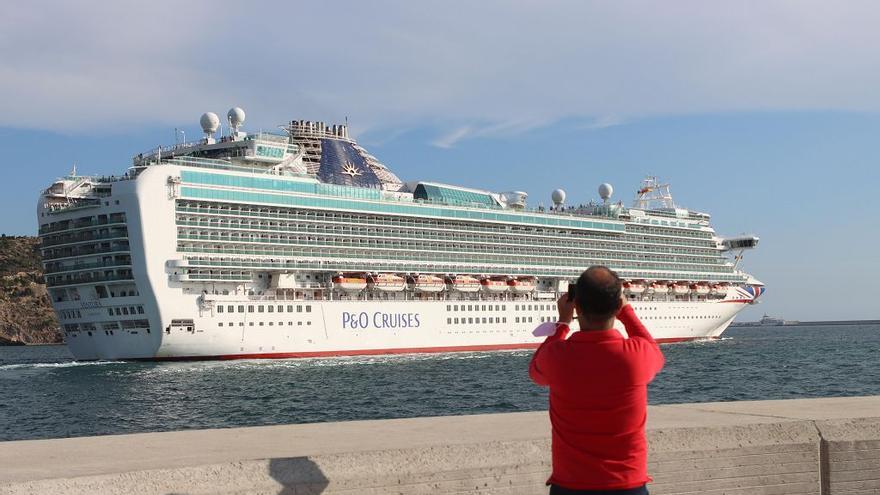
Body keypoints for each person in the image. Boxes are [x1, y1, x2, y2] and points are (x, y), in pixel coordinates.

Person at [529, 266, 665, 495]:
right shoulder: (637, 355)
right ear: (617, 306)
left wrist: (562, 323)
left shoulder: (557, 356)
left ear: (577, 306)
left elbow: (535, 372)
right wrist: (626, 312)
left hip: (570, 486)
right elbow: (654, 352)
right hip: (627, 486)